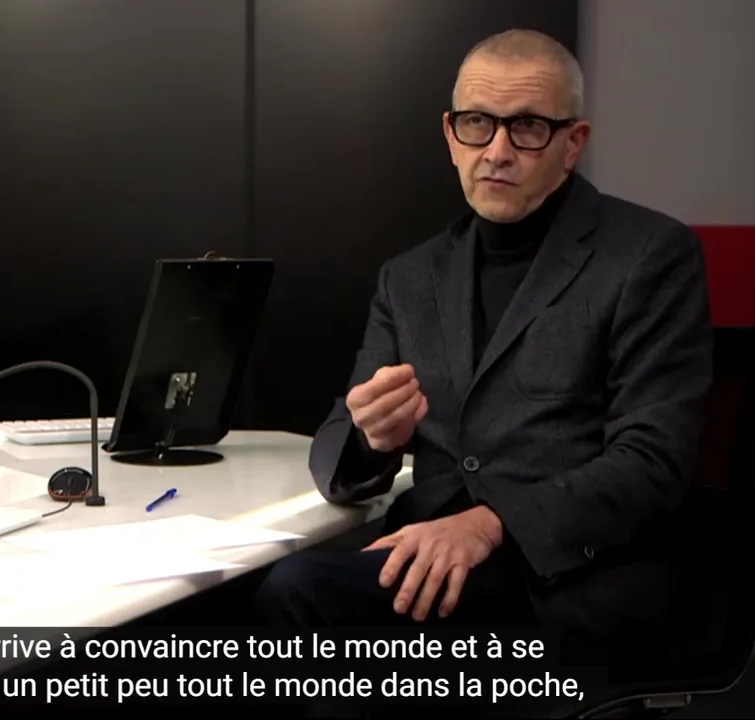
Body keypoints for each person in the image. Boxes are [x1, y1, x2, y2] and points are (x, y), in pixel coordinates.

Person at [256, 27, 713, 655]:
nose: (497, 151)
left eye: (527, 127)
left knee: (300, 596)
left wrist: (492, 523)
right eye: (477, 123)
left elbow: (653, 462)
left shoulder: (649, 255)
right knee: (235, 602)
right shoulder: (409, 277)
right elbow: (341, 443)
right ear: (451, 136)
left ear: (573, 143)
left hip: (572, 579)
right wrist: (370, 437)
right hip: (433, 561)